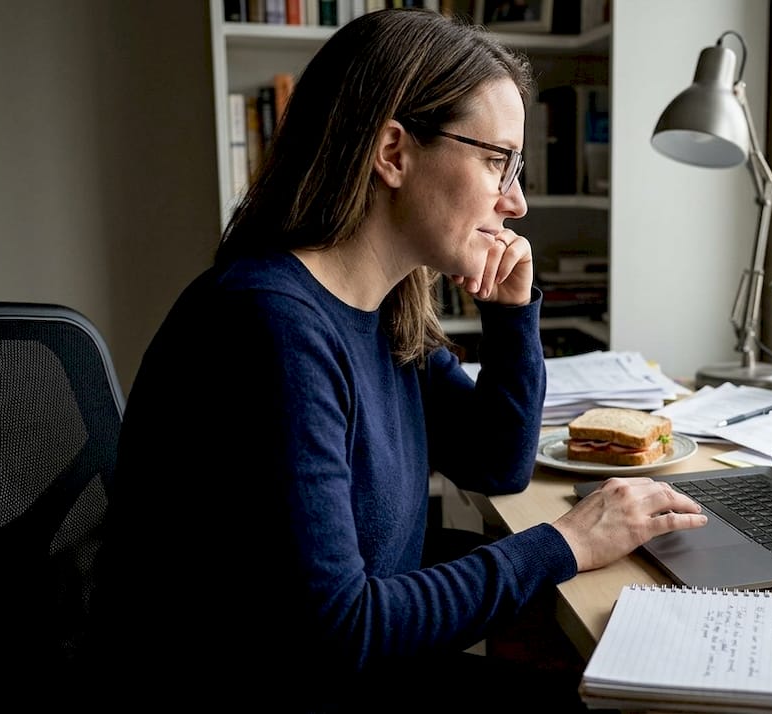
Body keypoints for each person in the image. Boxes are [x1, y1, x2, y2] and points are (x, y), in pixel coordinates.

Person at [84, 8, 706, 712]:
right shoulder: (270, 326)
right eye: (497, 160)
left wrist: (509, 317)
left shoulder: (379, 309)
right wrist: (565, 542)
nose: (517, 202)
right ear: (394, 153)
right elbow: (339, 631)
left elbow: (494, 460)